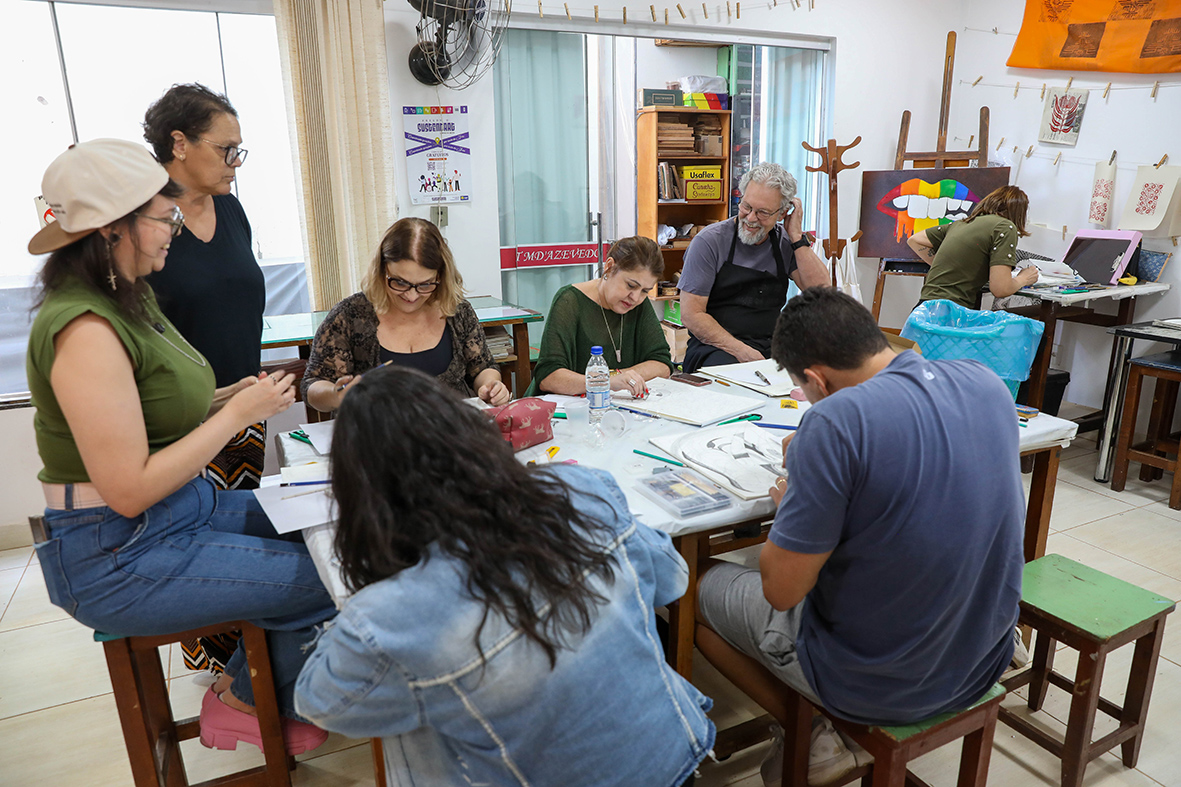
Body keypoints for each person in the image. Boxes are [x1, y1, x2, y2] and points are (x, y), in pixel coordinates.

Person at [26, 139, 337, 757]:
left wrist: (226, 398)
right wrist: (238, 418)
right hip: (114, 549)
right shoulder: (84, 329)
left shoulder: (130, 297)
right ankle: (243, 700)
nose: (174, 229)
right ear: (113, 228)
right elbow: (129, 487)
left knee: (328, 524)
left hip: (176, 510)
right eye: (162, 218)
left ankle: (253, 684)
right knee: (330, 578)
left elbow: (150, 407)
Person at [294, 367, 715, 786]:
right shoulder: (579, 487)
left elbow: (321, 702)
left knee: (419, 718)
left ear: (362, 493)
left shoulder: (392, 612)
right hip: (673, 757)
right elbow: (671, 580)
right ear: (470, 435)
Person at [694, 288, 1023, 786]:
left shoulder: (833, 422)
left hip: (882, 685)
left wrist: (794, 506)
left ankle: (810, 731)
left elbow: (782, 591)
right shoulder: (983, 382)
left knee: (689, 589)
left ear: (816, 380)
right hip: (983, 655)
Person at [143, 83, 268, 492]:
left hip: (243, 406)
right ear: (179, 143)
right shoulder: (141, 221)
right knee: (193, 522)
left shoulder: (230, 206)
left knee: (243, 525)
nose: (235, 162)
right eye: (224, 149)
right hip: (179, 419)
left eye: (238, 150)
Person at [301, 217, 510, 411]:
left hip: (450, 433)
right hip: (375, 438)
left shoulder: (457, 310)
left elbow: (483, 367)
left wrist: (491, 385)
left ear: (441, 276)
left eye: (425, 284)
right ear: (382, 269)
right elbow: (313, 385)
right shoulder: (349, 316)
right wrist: (336, 395)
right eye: (399, 282)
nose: (411, 296)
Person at [678, 162, 830, 373]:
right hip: (715, 347)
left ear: (782, 213)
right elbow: (691, 314)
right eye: (746, 206)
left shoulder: (785, 243)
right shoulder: (710, 242)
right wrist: (742, 351)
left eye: (763, 212)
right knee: (734, 381)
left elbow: (822, 292)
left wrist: (796, 237)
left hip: (771, 345)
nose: (750, 218)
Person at [526, 236, 674, 397]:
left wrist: (618, 378)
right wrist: (608, 381)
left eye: (645, 291)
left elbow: (662, 364)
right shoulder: (570, 301)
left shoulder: (637, 304)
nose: (636, 298)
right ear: (609, 267)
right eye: (630, 285)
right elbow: (548, 376)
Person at [908, 185, 1038, 310]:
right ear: (1019, 213)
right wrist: (1023, 278)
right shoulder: (1005, 226)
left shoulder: (960, 224)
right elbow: (1001, 289)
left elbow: (915, 240)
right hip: (950, 313)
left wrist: (948, 266)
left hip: (923, 309)